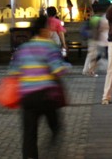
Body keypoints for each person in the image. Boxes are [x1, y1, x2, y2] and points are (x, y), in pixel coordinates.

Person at [8, 14, 68, 159]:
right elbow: (57, 70)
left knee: (29, 132)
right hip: (46, 95)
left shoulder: (23, 48)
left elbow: (13, 72)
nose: (50, 31)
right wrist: (66, 67)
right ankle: (51, 148)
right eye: (48, 28)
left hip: (27, 96)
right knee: (55, 125)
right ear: (43, 30)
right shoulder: (49, 46)